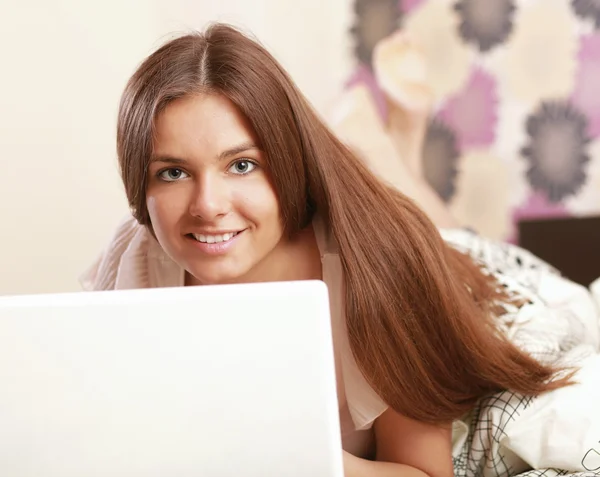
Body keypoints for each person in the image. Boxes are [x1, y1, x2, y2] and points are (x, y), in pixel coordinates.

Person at [82, 24, 594, 477]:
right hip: (391, 233)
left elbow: (425, 472)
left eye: (242, 165)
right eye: (172, 172)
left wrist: (304, 456)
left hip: (493, 294)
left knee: (445, 237)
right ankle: (385, 150)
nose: (207, 205)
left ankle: (392, 147)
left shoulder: (381, 270)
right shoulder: (137, 262)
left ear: (287, 161)